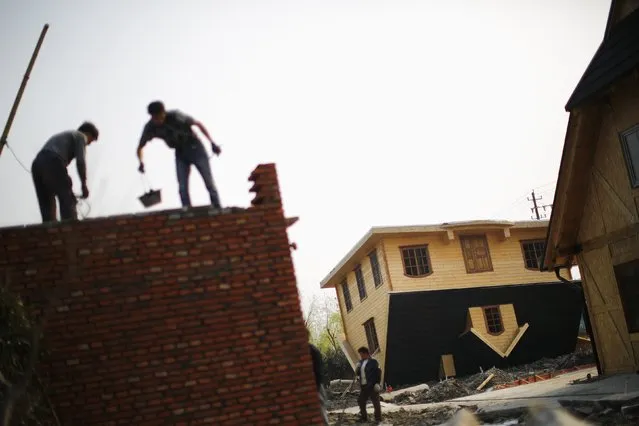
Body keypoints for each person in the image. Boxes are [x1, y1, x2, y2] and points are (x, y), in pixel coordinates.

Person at [136, 101, 222, 208]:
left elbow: (197, 124)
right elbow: (140, 147)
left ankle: (217, 208)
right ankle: (187, 212)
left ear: (164, 112)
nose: (158, 121)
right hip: (180, 153)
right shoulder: (150, 127)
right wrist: (140, 162)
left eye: (160, 117)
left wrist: (212, 143)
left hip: (195, 147)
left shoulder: (175, 115)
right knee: (182, 187)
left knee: (208, 181)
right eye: (155, 118)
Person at [31, 122, 99, 222]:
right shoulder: (81, 136)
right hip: (53, 161)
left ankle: (50, 233)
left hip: (37, 165)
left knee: (47, 206)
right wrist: (84, 185)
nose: (88, 144)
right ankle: (70, 231)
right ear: (88, 133)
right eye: (90, 141)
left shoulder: (66, 136)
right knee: (67, 198)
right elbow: (81, 161)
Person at [355, 346, 382, 423]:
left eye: (361, 354)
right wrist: (357, 368)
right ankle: (364, 418)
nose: (361, 356)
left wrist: (377, 383)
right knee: (361, 401)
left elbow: (378, 373)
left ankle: (378, 419)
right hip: (364, 386)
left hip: (372, 385)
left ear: (366, 353)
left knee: (376, 402)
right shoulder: (361, 362)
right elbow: (357, 374)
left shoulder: (373, 362)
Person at [309, 342, 329, 425]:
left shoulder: (310, 349)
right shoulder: (313, 348)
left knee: (320, 409)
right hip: (317, 384)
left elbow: (317, 370)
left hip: (316, 385)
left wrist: (316, 386)